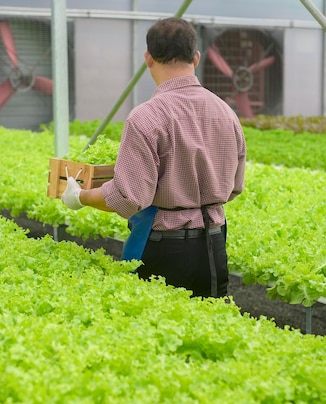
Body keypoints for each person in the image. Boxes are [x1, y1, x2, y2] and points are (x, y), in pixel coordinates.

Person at [61, 17, 246, 298]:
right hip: (214, 245)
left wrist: (79, 197)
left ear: (148, 58)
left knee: (156, 333)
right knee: (204, 333)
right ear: (196, 58)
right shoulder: (226, 113)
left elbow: (129, 197)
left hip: (162, 249)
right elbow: (234, 188)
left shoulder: (146, 117)